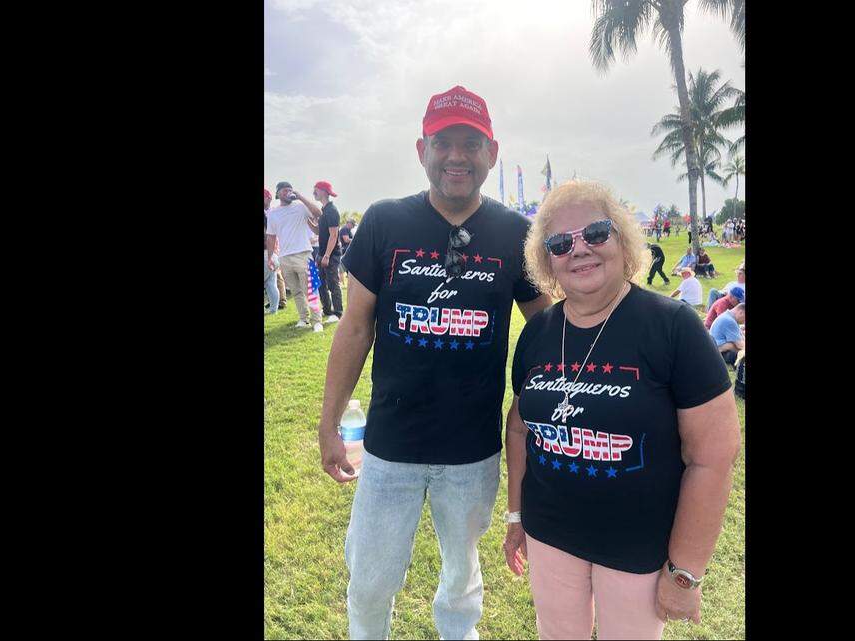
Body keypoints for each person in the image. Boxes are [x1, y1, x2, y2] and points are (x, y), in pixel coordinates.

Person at [315, 85, 553, 640]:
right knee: (370, 580)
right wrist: (328, 425)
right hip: (390, 447)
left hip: (471, 451)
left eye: (471, 144)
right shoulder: (383, 222)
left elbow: (547, 325)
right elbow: (354, 328)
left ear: (491, 154)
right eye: (443, 142)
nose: (456, 157)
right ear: (421, 149)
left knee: (461, 581)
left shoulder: (514, 234)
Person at [503, 180, 742, 640]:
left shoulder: (673, 328)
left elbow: (713, 457)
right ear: (545, 260)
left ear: (623, 239)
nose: (579, 250)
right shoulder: (537, 334)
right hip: (550, 533)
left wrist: (685, 572)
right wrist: (516, 517)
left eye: (596, 232)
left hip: (639, 547)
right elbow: (519, 429)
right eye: (559, 243)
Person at [266, 181, 323, 329]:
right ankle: (304, 319)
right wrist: (270, 257)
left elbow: (318, 213)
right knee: (296, 291)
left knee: (311, 289)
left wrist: (301, 197)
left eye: (290, 190)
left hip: (304, 254)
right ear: (278, 193)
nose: (288, 192)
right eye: (285, 190)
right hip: (284, 257)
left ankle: (317, 321)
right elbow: (271, 236)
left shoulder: (301, 206)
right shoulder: (273, 213)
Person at [314, 180, 345, 323]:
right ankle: (327, 310)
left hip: (331, 255)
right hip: (321, 254)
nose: (314, 192)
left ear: (325, 192)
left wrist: (326, 255)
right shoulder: (323, 210)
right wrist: (307, 221)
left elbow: (333, 235)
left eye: (316, 189)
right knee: (321, 284)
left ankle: (338, 312)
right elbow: (319, 232)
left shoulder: (332, 210)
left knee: (333, 284)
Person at [265, 188, 280, 314]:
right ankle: (273, 310)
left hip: (267, 253)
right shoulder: (271, 214)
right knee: (271, 283)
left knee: (271, 283)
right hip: (273, 253)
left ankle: (273, 309)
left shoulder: (268, 215)